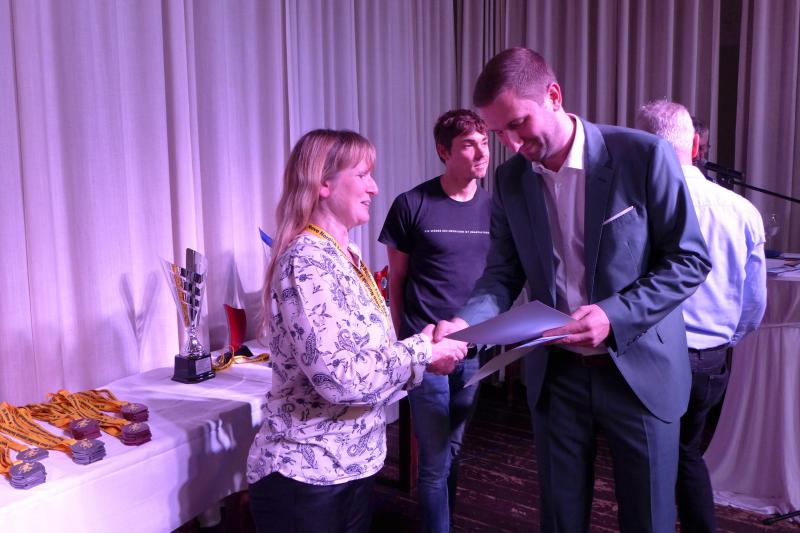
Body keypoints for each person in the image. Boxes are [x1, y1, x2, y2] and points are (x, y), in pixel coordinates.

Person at [432, 48, 712, 533]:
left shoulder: (642, 155)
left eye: (518, 124)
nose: (511, 144)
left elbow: (689, 260)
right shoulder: (511, 179)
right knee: (560, 520)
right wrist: (464, 324)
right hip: (557, 373)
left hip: (640, 368)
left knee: (649, 520)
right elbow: (502, 275)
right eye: (499, 133)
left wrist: (614, 315)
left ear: (554, 96)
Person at [246, 129, 467, 533]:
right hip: (307, 475)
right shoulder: (306, 260)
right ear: (323, 183)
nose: (374, 188)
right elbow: (339, 378)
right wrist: (422, 351)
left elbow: (370, 361)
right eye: (363, 175)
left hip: (351, 466)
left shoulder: (347, 254)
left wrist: (424, 355)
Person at [637, 100, 767, 533]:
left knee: (647, 460)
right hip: (710, 357)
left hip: (652, 356)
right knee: (686, 453)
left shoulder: (638, 205)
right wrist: (724, 339)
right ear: (696, 145)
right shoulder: (742, 210)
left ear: (643, 145)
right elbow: (754, 302)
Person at [379, 109, 492, 532]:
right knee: (434, 461)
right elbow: (397, 280)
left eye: (484, 142)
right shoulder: (412, 204)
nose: (481, 152)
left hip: (473, 350)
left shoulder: (496, 209)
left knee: (453, 451)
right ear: (444, 152)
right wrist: (401, 341)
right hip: (425, 352)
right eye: (468, 144)